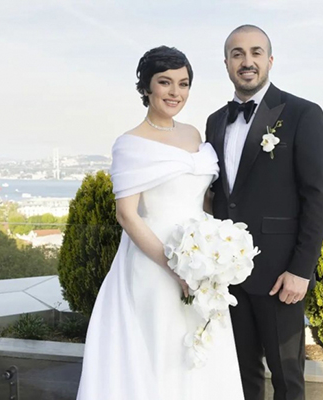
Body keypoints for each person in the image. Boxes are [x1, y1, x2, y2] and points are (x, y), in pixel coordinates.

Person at [76, 45, 244, 400]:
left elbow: (203, 200)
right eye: (165, 82)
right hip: (154, 263)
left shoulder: (194, 134)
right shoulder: (130, 143)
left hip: (201, 261)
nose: (175, 92)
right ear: (146, 87)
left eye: (183, 84)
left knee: (201, 350)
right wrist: (175, 267)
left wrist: (219, 250)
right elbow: (126, 214)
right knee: (162, 351)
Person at [205, 25, 323, 400]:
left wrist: (301, 270)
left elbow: (317, 197)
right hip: (228, 278)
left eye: (255, 52)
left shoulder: (302, 113)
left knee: (287, 377)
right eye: (237, 54)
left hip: (280, 276)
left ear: (270, 60)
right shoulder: (215, 121)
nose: (247, 61)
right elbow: (220, 195)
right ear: (226, 63)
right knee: (239, 376)